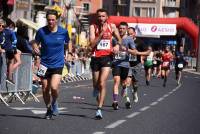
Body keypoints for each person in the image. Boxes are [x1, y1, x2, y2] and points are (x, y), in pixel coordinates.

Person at [32, 10, 72, 119]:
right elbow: (35, 42)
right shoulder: (41, 31)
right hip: (44, 64)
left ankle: (54, 102)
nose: (50, 22)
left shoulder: (63, 32)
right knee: (45, 88)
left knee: (54, 87)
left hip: (58, 64)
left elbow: (69, 42)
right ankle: (48, 108)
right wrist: (34, 46)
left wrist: (70, 53)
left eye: (53, 20)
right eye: (49, 20)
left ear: (57, 20)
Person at [89, 8, 121, 119]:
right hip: (95, 58)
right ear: (96, 17)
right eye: (99, 16)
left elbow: (119, 39)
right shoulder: (93, 27)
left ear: (107, 17)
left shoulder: (112, 26)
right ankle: (96, 90)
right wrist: (101, 33)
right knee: (96, 84)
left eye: (103, 16)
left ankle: (99, 109)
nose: (101, 18)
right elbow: (92, 45)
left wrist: (117, 45)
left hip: (107, 57)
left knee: (102, 83)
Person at [111, 22, 136, 110]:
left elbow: (134, 51)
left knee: (124, 84)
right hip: (116, 63)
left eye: (123, 28)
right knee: (116, 81)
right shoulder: (114, 39)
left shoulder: (129, 39)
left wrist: (127, 50)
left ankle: (127, 99)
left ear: (126, 29)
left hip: (125, 64)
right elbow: (110, 49)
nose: (121, 30)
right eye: (120, 28)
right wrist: (112, 50)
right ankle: (115, 102)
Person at [127, 27, 150, 103]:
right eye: (128, 34)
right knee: (128, 82)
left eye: (131, 34)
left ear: (134, 33)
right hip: (127, 64)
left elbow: (147, 52)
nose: (129, 35)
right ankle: (127, 100)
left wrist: (138, 53)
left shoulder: (139, 42)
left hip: (137, 64)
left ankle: (135, 92)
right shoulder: (125, 41)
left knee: (135, 83)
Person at [0, 18, 21, 84]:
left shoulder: (9, 32)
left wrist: (14, 49)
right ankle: (8, 74)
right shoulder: (8, 31)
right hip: (5, 50)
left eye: (3, 26)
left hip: (8, 50)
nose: (1, 27)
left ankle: (9, 76)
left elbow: (14, 41)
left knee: (12, 60)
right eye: (0, 25)